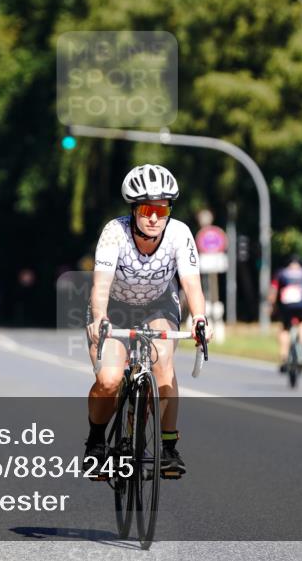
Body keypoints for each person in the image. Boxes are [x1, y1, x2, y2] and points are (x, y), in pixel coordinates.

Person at [84, 164, 213, 479]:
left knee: (163, 363)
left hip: (158, 306)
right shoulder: (115, 233)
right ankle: (96, 443)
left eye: (162, 209)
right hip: (114, 307)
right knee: (110, 380)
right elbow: (101, 285)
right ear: (133, 209)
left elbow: (191, 283)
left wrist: (200, 318)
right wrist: (99, 317)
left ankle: (168, 447)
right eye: (146, 210)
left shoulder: (179, 234)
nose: (154, 217)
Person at [267, 255, 302, 372]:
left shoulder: (281, 273)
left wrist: (272, 305)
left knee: (284, 329)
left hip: (286, 306)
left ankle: (284, 356)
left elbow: (273, 290)